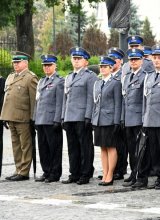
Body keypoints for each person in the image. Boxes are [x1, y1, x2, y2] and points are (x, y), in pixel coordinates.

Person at [133, 45, 160, 189]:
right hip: (150, 120)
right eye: (154, 58)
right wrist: (144, 118)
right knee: (154, 151)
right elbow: (146, 99)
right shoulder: (149, 76)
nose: (156, 60)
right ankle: (159, 176)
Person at [61, 47, 98, 185]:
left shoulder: (90, 76)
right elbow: (66, 98)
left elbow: (91, 97)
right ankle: (74, 173)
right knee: (72, 147)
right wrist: (63, 117)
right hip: (70, 116)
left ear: (86, 62)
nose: (76, 61)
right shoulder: (69, 76)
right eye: (74, 59)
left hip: (82, 117)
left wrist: (88, 116)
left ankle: (85, 173)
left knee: (85, 146)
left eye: (79, 59)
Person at [1, 51, 38, 181]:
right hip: (11, 116)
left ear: (25, 63)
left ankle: (24, 171)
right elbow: (7, 97)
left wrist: (33, 118)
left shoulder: (30, 78)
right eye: (14, 62)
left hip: (23, 117)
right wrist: (5, 115)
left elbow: (33, 100)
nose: (15, 65)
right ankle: (18, 169)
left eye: (18, 62)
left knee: (25, 145)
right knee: (15, 145)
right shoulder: (11, 77)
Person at [34, 54, 64, 183]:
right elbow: (37, 101)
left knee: (54, 148)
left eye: (49, 65)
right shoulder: (41, 81)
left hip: (52, 120)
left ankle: (54, 173)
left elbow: (60, 102)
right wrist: (35, 118)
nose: (46, 68)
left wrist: (58, 119)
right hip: (41, 119)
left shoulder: (59, 81)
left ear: (55, 66)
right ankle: (46, 171)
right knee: (43, 148)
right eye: (44, 65)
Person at [92, 56, 122, 186]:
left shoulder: (115, 83)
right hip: (98, 119)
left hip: (109, 120)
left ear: (111, 68)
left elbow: (118, 104)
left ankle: (110, 174)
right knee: (102, 148)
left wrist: (116, 121)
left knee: (111, 147)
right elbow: (95, 102)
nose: (102, 69)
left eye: (105, 67)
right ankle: (104, 173)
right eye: (101, 67)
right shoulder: (98, 83)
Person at [121, 49, 147, 187]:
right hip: (128, 118)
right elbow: (124, 99)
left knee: (140, 149)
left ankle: (141, 176)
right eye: (131, 59)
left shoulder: (145, 76)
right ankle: (133, 173)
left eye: (136, 59)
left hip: (138, 118)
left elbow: (144, 100)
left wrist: (144, 119)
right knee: (131, 149)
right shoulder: (127, 77)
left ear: (141, 61)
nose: (133, 62)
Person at [108, 47, 127, 180]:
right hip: (108, 116)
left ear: (120, 61)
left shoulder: (123, 76)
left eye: (114, 59)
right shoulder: (107, 75)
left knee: (121, 144)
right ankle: (111, 169)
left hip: (120, 113)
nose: (112, 62)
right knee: (110, 143)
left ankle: (120, 169)